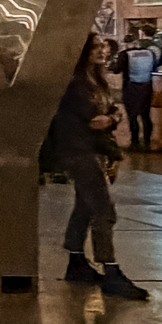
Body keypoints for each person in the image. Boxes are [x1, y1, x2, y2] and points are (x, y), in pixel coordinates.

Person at [48, 35, 148, 300]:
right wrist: (110, 121)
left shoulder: (97, 80)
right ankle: (111, 270)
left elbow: (114, 112)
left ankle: (77, 262)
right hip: (78, 151)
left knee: (84, 206)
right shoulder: (75, 83)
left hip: (93, 150)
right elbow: (93, 120)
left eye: (104, 47)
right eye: (95, 47)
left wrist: (112, 118)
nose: (103, 51)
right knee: (104, 210)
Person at [110, 32, 159, 151]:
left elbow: (116, 70)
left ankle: (135, 142)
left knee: (132, 116)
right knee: (145, 116)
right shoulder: (149, 53)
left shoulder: (125, 54)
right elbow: (156, 65)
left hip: (131, 88)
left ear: (125, 44)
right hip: (147, 87)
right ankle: (147, 142)